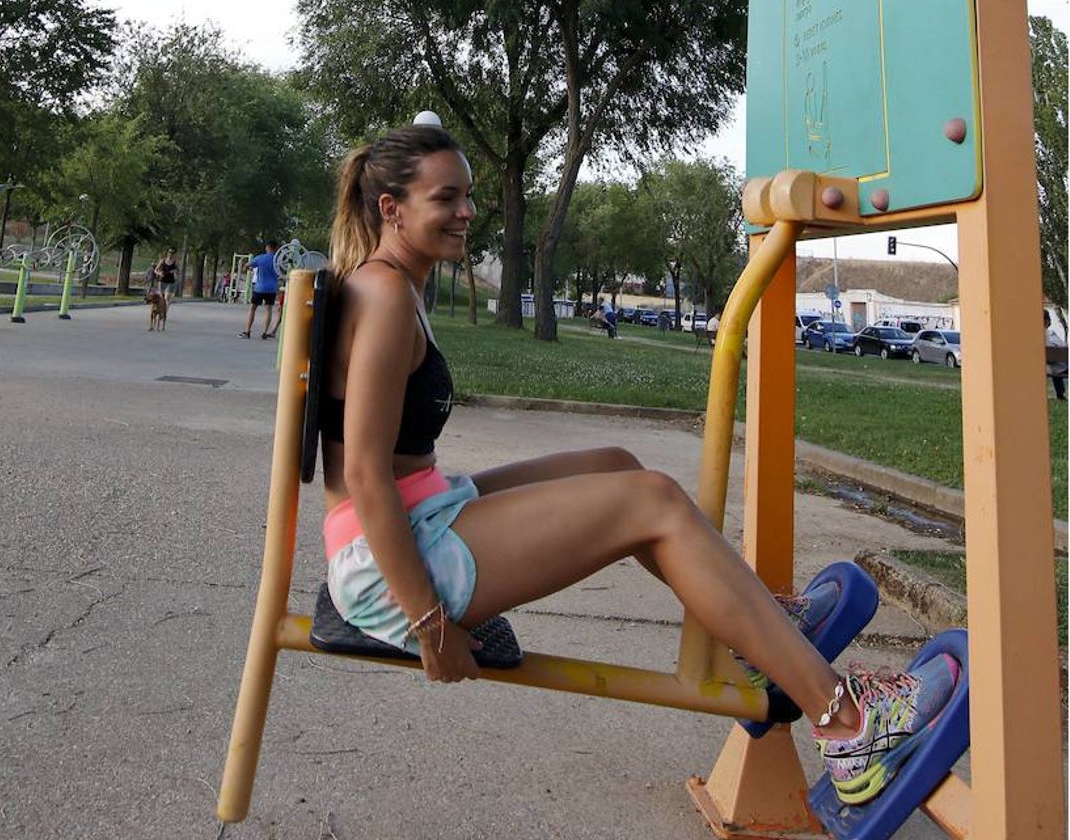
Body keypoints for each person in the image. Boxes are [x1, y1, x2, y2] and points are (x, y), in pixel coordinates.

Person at [318, 123, 958, 806]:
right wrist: (428, 622)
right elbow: (362, 475)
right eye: (447, 198)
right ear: (392, 208)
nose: (469, 212)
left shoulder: (396, 286)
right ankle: (849, 726)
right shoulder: (384, 296)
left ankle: (757, 630)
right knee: (649, 500)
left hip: (422, 515)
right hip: (387, 565)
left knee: (615, 462)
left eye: (470, 196)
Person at [240, 241, 281, 339]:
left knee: (253, 308)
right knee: (268, 309)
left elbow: (248, 265)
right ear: (276, 248)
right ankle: (264, 332)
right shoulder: (277, 260)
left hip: (259, 287)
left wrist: (245, 267)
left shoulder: (260, 258)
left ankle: (247, 331)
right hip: (271, 288)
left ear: (267, 247)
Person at [1044, 309, 1066, 400]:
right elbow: (1062, 347)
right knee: (1058, 368)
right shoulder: (1051, 334)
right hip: (1056, 367)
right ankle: (1060, 395)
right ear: (1047, 321)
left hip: (1047, 366)